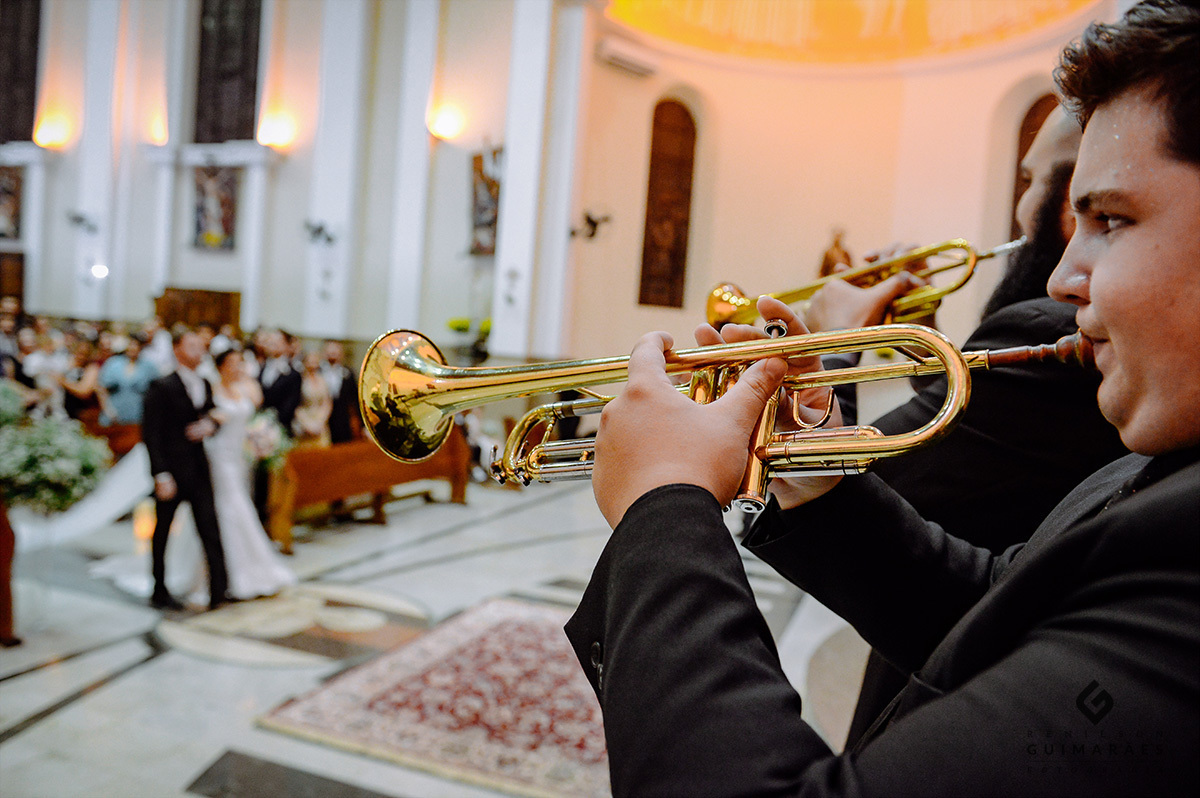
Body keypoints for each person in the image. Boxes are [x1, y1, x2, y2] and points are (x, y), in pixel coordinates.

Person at [564, 2, 1200, 795]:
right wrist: (817, 476)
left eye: (1112, 217)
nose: (1064, 279)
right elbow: (989, 605)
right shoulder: (1162, 467)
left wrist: (663, 505)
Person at [813, 108, 1130, 745]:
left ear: (1066, 205)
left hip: (947, 691)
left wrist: (833, 344)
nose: (1020, 210)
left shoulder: (1048, 333)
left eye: (1028, 181)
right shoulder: (1050, 346)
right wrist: (920, 330)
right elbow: (977, 424)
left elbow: (866, 484)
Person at [141, 329, 229, 611]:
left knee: (210, 529)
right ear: (177, 349)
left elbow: (213, 413)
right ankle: (159, 588)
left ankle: (219, 589)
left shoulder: (204, 381)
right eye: (191, 345)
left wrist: (210, 426)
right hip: (172, 470)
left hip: (199, 468)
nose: (198, 350)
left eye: (201, 346)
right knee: (163, 531)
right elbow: (151, 434)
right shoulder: (161, 385)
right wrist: (160, 474)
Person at [205, 348, 296, 599]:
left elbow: (256, 409)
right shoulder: (211, 389)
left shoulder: (245, 388)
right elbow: (205, 417)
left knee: (240, 502)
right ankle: (230, 573)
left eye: (240, 363)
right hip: (219, 455)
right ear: (221, 366)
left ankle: (252, 567)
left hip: (240, 457)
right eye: (232, 363)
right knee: (230, 507)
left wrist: (262, 437)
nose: (237, 368)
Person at [98, 333, 158, 425]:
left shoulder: (149, 367)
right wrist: (107, 409)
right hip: (114, 416)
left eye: (136, 345)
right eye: (130, 344)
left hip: (138, 417)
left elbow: (156, 392)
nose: (132, 348)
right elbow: (101, 388)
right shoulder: (113, 363)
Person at [293, 349, 332, 447]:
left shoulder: (322, 380)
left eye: (315, 361)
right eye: (310, 361)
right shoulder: (299, 380)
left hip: (320, 424)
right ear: (304, 362)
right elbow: (295, 404)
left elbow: (327, 402)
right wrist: (307, 425)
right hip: (304, 423)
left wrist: (321, 422)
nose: (313, 364)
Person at [321, 340, 358, 444]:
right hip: (322, 422)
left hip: (342, 421)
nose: (333, 353)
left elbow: (355, 399)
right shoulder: (318, 371)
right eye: (330, 349)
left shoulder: (348, 373)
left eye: (336, 350)